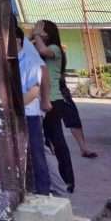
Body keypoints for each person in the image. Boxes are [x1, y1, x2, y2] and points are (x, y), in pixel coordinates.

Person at [32, 20, 83, 190]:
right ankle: (54, 179)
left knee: (57, 141)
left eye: (41, 29)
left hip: (54, 99)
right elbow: (26, 48)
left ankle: (68, 180)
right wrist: (34, 34)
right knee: (46, 141)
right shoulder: (38, 46)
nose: (37, 31)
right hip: (44, 98)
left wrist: (36, 34)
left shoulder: (55, 49)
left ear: (48, 33)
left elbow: (42, 50)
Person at [17, 25, 51, 195]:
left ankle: (43, 192)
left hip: (28, 113)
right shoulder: (8, 58)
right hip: (15, 114)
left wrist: (45, 99)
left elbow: (34, 90)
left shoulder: (29, 59)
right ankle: (25, 190)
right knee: (18, 156)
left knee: (36, 154)